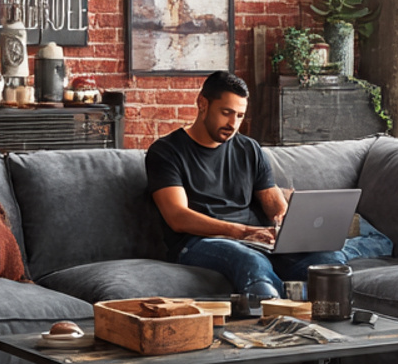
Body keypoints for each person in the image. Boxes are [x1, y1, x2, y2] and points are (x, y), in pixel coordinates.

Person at [146, 70, 348, 308]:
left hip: (254, 240)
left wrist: (284, 223)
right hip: (199, 242)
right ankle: (282, 318)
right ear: (202, 104)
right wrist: (242, 231)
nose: (233, 124)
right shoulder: (166, 151)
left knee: (329, 260)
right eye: (226, 113)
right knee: (251, 260)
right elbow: (177, 217)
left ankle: (321, 320)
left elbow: (272, 201)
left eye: (240, 115)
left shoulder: (249, 149)